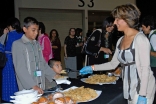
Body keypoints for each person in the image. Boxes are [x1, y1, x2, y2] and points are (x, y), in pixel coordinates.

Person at [80, 3, 155, 104]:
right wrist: (92, 67)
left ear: (127, 19)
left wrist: (143, 95)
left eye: (117, 19)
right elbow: (113, 64)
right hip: (128, 86)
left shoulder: (140, 39)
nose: (115, 22)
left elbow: (145, 69)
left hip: (142, 88)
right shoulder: (120, 40)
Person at [12, 17, 59, 94]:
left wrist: (54, 76)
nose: (36, 33)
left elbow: (43, 63)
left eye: (37, 30)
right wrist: (33, 85)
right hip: (29, 87)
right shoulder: (18, 44)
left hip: (40, 84)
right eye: (33, 30)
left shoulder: (37, 44)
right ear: (25, 29)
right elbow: (20, 69)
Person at [2, 17, 23, 102]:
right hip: (20, 60)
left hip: (9, 61)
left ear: (11, 26)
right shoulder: (22, 35)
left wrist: (4, 34)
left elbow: (2, 48)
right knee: (18, 79)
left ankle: (8, 98)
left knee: (8, 80)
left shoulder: (8, 35)